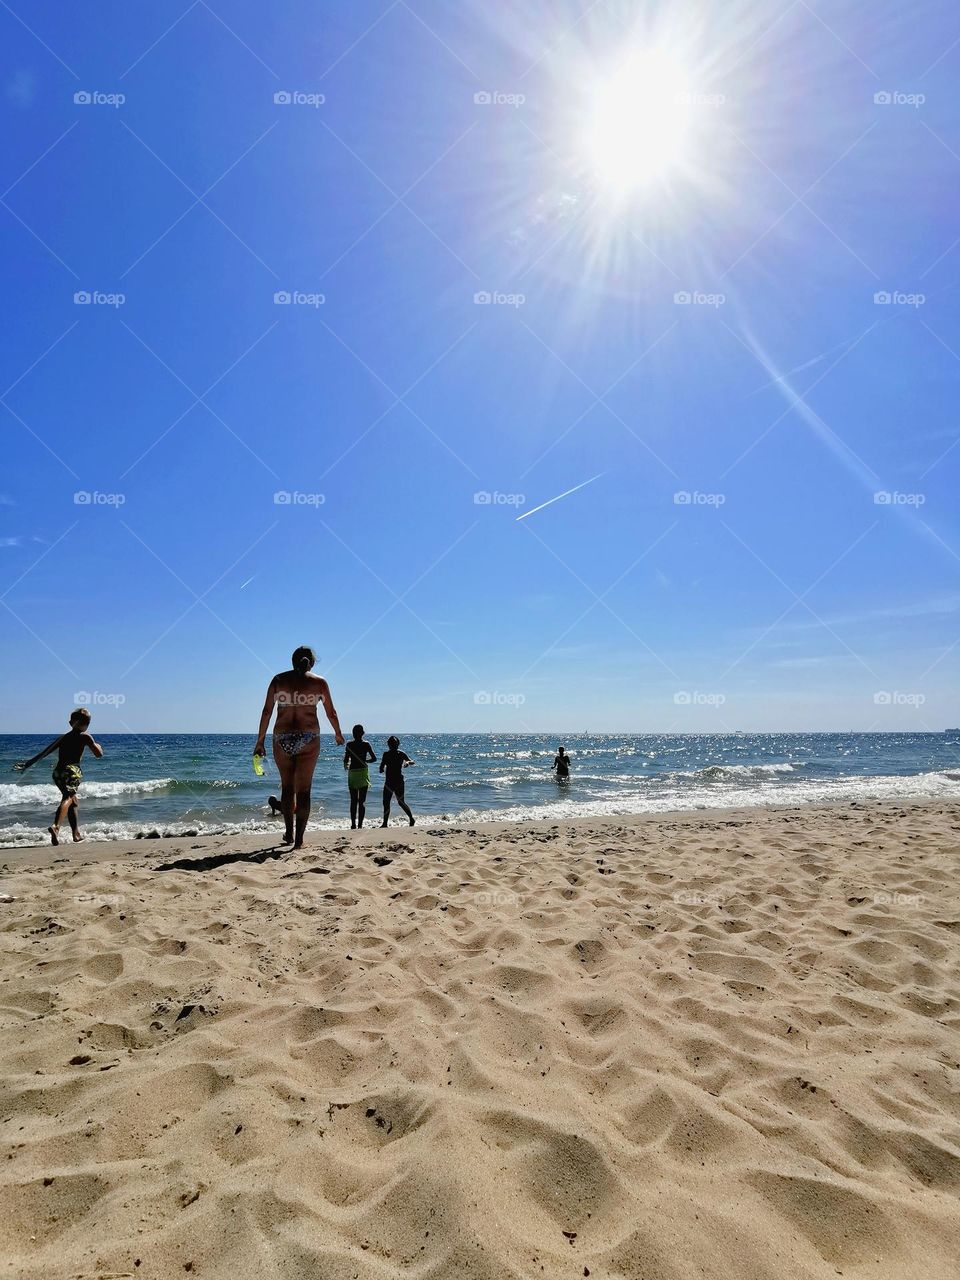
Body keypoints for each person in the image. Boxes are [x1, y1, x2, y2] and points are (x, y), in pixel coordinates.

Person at [253, 646, 344, 849]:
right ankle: (300, 841)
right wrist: (338, 733)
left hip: (282, 738)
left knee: (287, 788)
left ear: (292, 661)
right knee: (304, 791)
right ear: (311, 662)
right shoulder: (319, 683)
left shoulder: (278, 680)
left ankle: (289, 833)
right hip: (309, 737)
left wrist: (259, 741)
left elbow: (267, 711)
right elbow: (332, 713)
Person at [13, 707, 104, 845]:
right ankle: (56, 827)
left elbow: (45, 752)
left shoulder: (63, 738)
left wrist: (28, 763)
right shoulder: (85, 736)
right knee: (68, 798)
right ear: (87, 724)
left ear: (70, 723)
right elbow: (99, 754)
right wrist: (96, 744)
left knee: (73, 801)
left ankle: (76, 835)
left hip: (58, 772)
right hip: (72, 771)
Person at [343, 724, 376, 829]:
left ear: (353, 734)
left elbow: (346, 759)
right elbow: (374, 758)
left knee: (353, 801)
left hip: (353, 772)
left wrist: (346, 766)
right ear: (363, 733)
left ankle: (353, 824)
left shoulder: (349, 744)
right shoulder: (366, 744)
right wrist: (366, 761)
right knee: (362, 801)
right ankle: (360, 825)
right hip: (363, 772)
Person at [379, 735, 415, 827]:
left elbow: (412, 761)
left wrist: (407, 762)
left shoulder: (401, 753)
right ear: (388, 745)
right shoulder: (386, 754)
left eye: (394, 743)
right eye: (391, 744)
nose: (393, 745)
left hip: (399, 781)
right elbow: (381, 767)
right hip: (388, 782)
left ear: (398, 744)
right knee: (386, 802)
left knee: (401, 802)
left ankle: (411, 818)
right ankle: (385, 823)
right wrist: (382, 769)